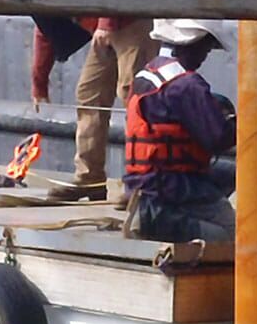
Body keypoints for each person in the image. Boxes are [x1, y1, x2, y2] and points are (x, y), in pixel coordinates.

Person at [122, 19, 236, 243]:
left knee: (229, 174)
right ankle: (162, 223)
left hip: (142, 181)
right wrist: (241, 123)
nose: (205, 56)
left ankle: (162, 213)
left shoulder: (148, 73)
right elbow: (218, 138)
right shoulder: (187, 84)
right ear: (192, 44)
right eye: (206, 48)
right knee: (232, 234)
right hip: (173, 184)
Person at [31, 17, 159, 202]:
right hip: (105, 27)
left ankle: (142, 183)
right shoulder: (46, 2)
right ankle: (90, 178)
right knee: (89, 95)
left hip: (131, 20)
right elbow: (46, 26)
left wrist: (106, 23)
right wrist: (39, 82)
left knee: (135, 99)